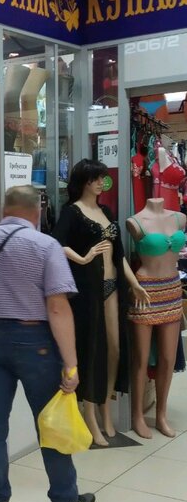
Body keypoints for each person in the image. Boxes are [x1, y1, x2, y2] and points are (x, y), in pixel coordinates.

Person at [0, 185, 96, 502]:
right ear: (36, 211)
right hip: (36, 341)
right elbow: (57, 307)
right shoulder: (45, 245)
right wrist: (71, 364)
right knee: (50, 421)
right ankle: (64, 501)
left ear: (5, 209)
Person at [53, 159, 148, 445]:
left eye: (102, 178)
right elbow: (56, 243)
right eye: (95, 178)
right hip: (88, 288)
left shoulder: (106, 211)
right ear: (83, 181)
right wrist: (83, 258)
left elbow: (119, 255)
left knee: (115, 349)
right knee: (92, 348)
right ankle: (90, 413)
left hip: (112, 285)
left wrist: (135, 283)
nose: (100, 183)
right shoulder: (72, 212)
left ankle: (105, 407)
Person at [126, 196, 186, 439]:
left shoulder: (179, 218)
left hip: (172, 288)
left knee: (168, 358)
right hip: (146, 290)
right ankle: (137, 415)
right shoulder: (135, 222)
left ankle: (161, 414)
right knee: (141, 359)